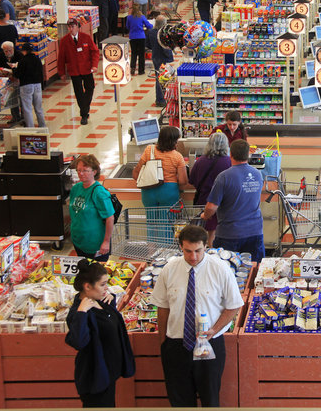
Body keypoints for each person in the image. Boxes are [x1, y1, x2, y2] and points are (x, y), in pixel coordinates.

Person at [152, 225, 243, 407]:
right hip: (176, 345)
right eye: (188, 251)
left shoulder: (220, 269)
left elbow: (233, 306)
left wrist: (214, 330)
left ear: (206, 247)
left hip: (210, 344)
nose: (193, 257)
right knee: (180, 401)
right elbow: (162, 306)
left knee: (210, 399)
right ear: (180, 247)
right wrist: (164, 341)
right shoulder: (169, 269)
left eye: (198, 251)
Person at [65, 260, 135, 407]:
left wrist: (111, 301)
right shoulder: (79, 312)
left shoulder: (99, 300)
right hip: (95, 380)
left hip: (109, 375)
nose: (106, 288)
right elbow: (78, 341)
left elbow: (108, 323)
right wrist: (81, 313)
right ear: (87, 286)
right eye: (102, 285)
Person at [202, 139, 265, 260]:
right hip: (255, 232)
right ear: (248, 154)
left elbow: (211, 207)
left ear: (230, 154)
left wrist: (205, 216)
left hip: (229, 234)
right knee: (253, 269)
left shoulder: (224, 177)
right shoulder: (257, 174)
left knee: (227, 271)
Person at [68, 154, 115, 260]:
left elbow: (110, 218)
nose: (81, 173)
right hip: (78, 241)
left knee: (96, 274)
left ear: (94, 172)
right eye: (78, 170)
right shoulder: (76, 188)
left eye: (85, 170)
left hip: (95, 244)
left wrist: (106, 242)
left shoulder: (99, 192)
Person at [189, 133, 233, 246]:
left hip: (203, 202)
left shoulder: (200, 161)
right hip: (222, 204)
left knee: (205, 232)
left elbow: (192, 180)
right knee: (216, 233)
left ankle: (204, 255)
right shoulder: (228, 162)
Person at [133, 126, 188, 215]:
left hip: (148, 190)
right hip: (169, 191)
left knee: (151, 222)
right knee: (167, 223)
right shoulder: (177, 156)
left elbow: (136, 174)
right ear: (173, 141)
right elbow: (183, 181)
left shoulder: (149, 150)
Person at [58, 18, 99, 125]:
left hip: (87, 69)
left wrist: (94, 65)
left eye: (73, 26)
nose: (71, 29)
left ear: (78, 27)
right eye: (69, 27)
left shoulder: (86, 37)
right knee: (79, 92)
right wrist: (61, 72)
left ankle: (85, 107)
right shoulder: (64, 41)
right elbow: (61, 58)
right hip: (74, 71)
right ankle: (84, 114)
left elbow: (95, 51)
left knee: (90, 88)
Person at [13, 42, 46, 128]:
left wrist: (14, 68)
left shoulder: (22, 61)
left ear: (24, 51)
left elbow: (17, 74)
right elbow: (41, 73)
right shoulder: (37, 59)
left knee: (27, 109)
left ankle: (30, 128)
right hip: (37, 85)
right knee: (38, 108)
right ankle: (42, 125)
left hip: (26, 86)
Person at [146, 15, 175, 106]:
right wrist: (169, 57)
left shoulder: (151, 32)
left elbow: (147, 44)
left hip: (155, 57)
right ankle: (161, 99)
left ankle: (160, 98)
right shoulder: (163, 34)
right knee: (163, 79)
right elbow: (165, 47)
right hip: (163, 58)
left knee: (158, 77)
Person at [125, 4, 153, 76]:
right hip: (141, 37)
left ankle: (133, 68)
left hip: (132, 37)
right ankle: (141, 70)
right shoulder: (142, 17)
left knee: (134, 53)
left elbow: (127, 27)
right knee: (141, 54)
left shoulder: (129, 17)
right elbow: (149, 26)